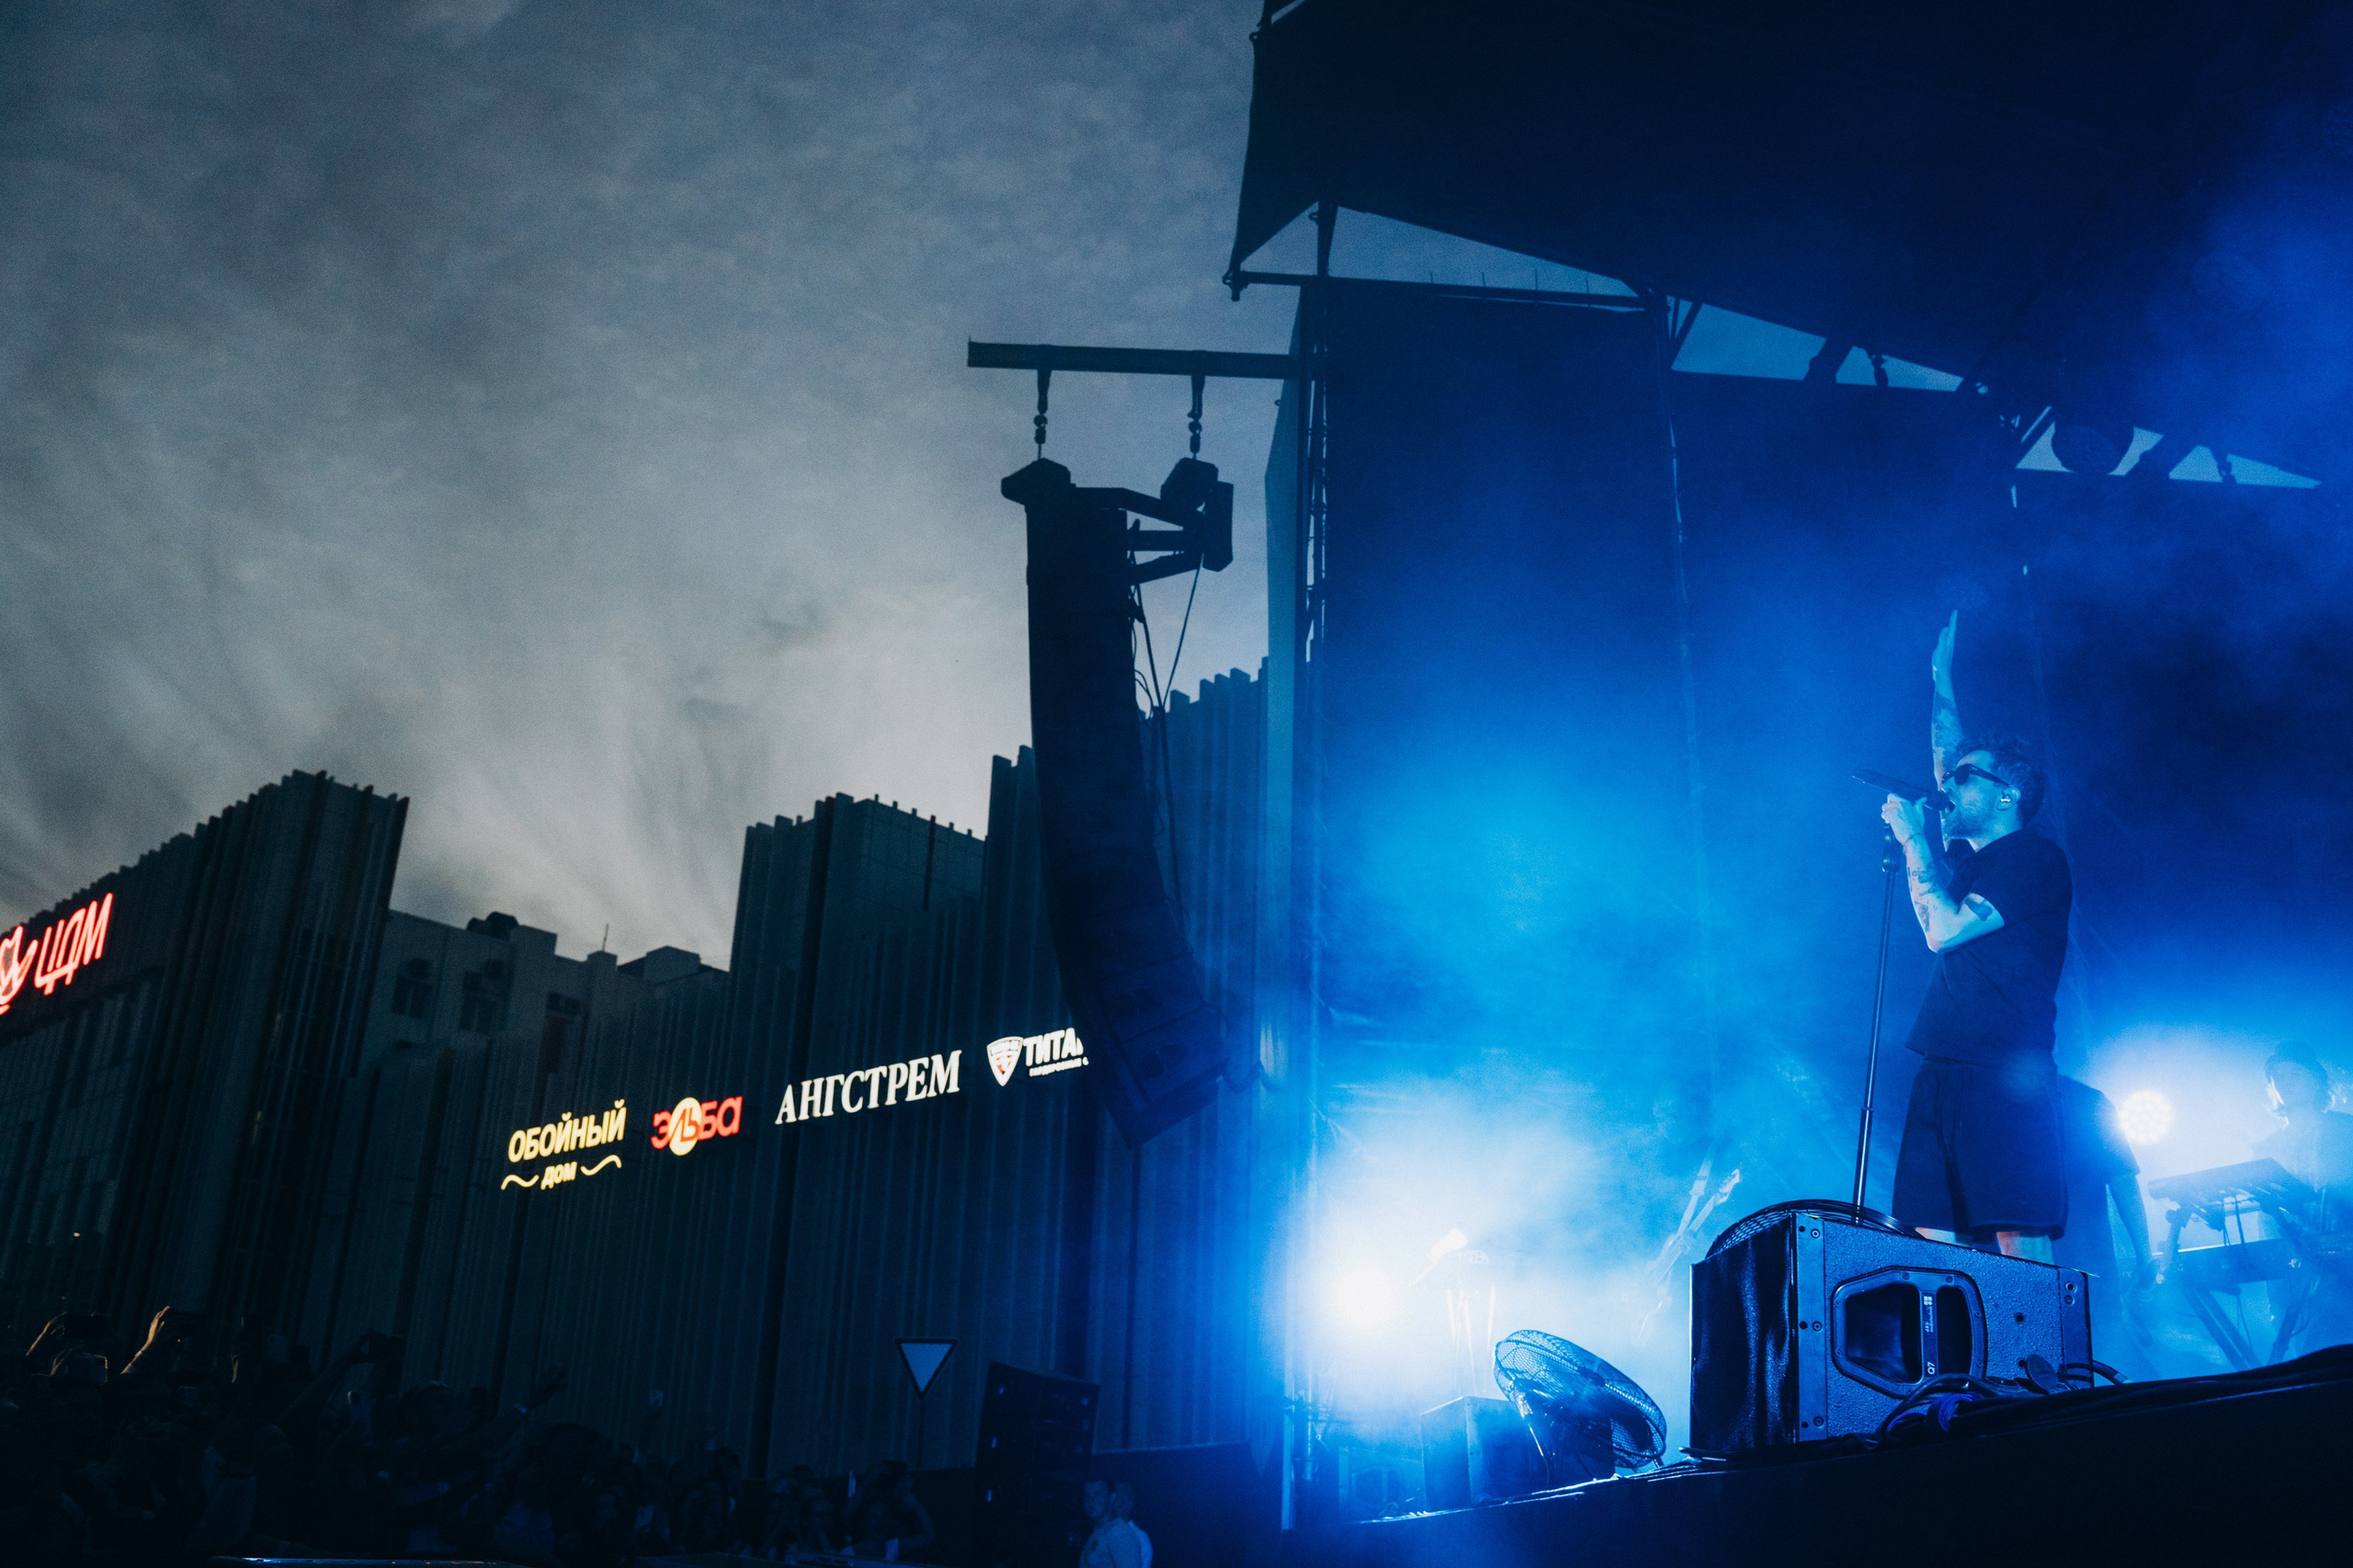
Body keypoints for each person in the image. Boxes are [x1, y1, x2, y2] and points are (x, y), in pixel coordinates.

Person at [1881, 612, 2074, 1257]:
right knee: (1934, 1234)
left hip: (2004, 1066)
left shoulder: (2032, 859)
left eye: (1966, 779)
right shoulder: (1970, 858)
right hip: (1944, 1061)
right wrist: (1941, 680)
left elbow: (1943, 932)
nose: (1948, 785)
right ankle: (1957, 1361)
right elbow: (1947, 755)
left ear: (2007, 794)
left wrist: (1912, 841)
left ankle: (2042, 1358)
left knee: (2011, 1227)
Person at [2051, 1076, 2154, 1354]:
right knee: (2102, 1357)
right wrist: (2145, 1257)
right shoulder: (2087, 1101)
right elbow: (2125, 1184)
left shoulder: (1981, 1092)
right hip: (2089, 1265)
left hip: (2011, 1262)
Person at [1079, 1478, 1145, 1568]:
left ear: (1112, 1498)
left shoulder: (1118, 1532)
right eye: (1087, 1495)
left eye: (1097, 1494)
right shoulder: (1100, 1532)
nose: (1091, 1500)